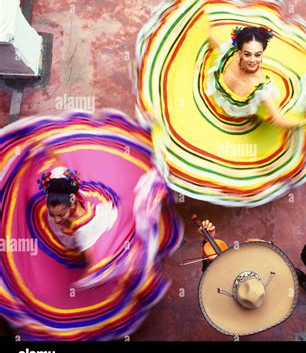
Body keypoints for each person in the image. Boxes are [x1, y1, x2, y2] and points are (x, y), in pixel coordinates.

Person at [136, 0, 306, 207]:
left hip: (223, 98)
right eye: (250, 55)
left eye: (257, 55)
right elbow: (276, 118)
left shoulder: (236, 61)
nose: (254, 60)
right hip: (229, 107)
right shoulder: (253, 77)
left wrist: (199, 13)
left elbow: (212, 36)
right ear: (241, 52)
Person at [0, 110, 183, 340]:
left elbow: (96, 260)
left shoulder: (87, 233)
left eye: (60, 215)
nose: (55, 220)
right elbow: (51, 163)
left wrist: (98, 271)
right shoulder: (61, 184)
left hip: (95, 236)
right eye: (53, 214)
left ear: (74, 201)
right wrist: (35, 154)